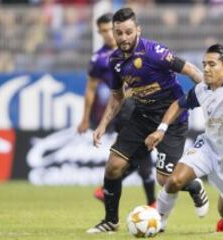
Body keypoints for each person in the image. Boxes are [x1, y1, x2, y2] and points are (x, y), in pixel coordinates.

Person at [87, 7, 208, 234]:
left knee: (165, 180)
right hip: (142, 116)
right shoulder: (114, 61)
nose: (123, 37)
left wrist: (211, 95)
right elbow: (117, 95)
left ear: (138, 31)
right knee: (113, 166)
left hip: (172, 118)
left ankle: (194, 186)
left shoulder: (155, 52)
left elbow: (190, 70)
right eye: (119, 33)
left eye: (128, 32)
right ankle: (110, 221)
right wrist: (102, 125)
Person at [145, 44, 223, 232]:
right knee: (174, 181)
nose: (205, 68)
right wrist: (161, 129)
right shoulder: (203, 88)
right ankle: (158, 224)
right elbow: (179, 105)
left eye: (212, 64)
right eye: (204, 64)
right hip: (209, 147)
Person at [77, 13, 156, 208]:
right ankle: (152, 203)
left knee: (141, 155)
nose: (108, 35)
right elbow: (91, 90)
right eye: (104, 31)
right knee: (142, 155)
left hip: (147, 107)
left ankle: (114, 190)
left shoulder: (140, 50)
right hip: (125, 112)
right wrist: (85, 118)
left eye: (110, 30)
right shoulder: (100, 59)